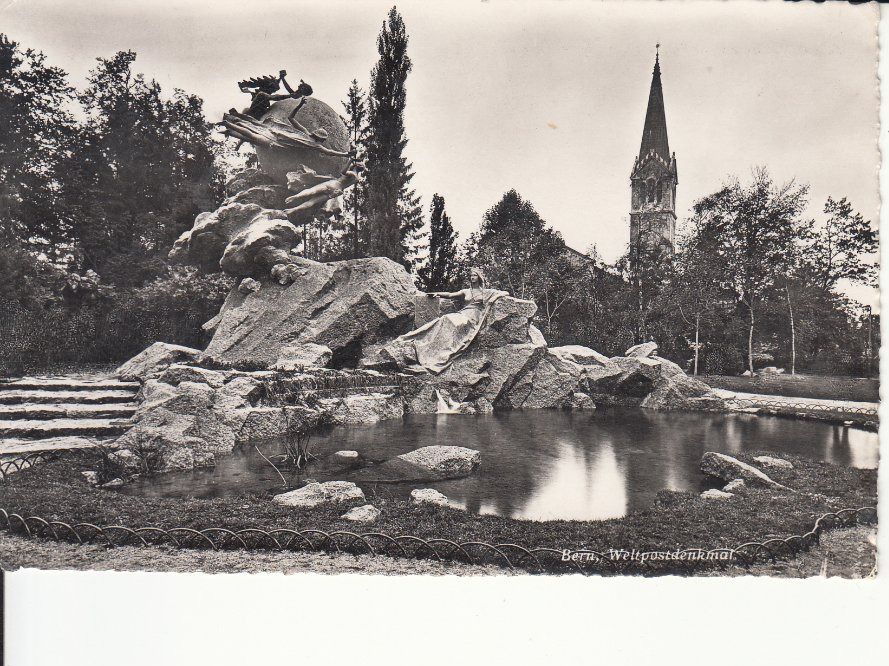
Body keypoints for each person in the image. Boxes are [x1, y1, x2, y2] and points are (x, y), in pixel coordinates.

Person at [380, 268, 508, 374]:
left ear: (479, 277)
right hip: (463, 313)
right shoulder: (465, 291)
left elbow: (504, 292)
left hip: (472, 317)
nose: (472, 277)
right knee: (445, 319)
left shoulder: (486, 292)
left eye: (475, 275)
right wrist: (437, 294)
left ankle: (439, 355)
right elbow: (450, 294)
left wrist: (492, 299)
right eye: (471, 275)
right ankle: (426, 343)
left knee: (453, 322)